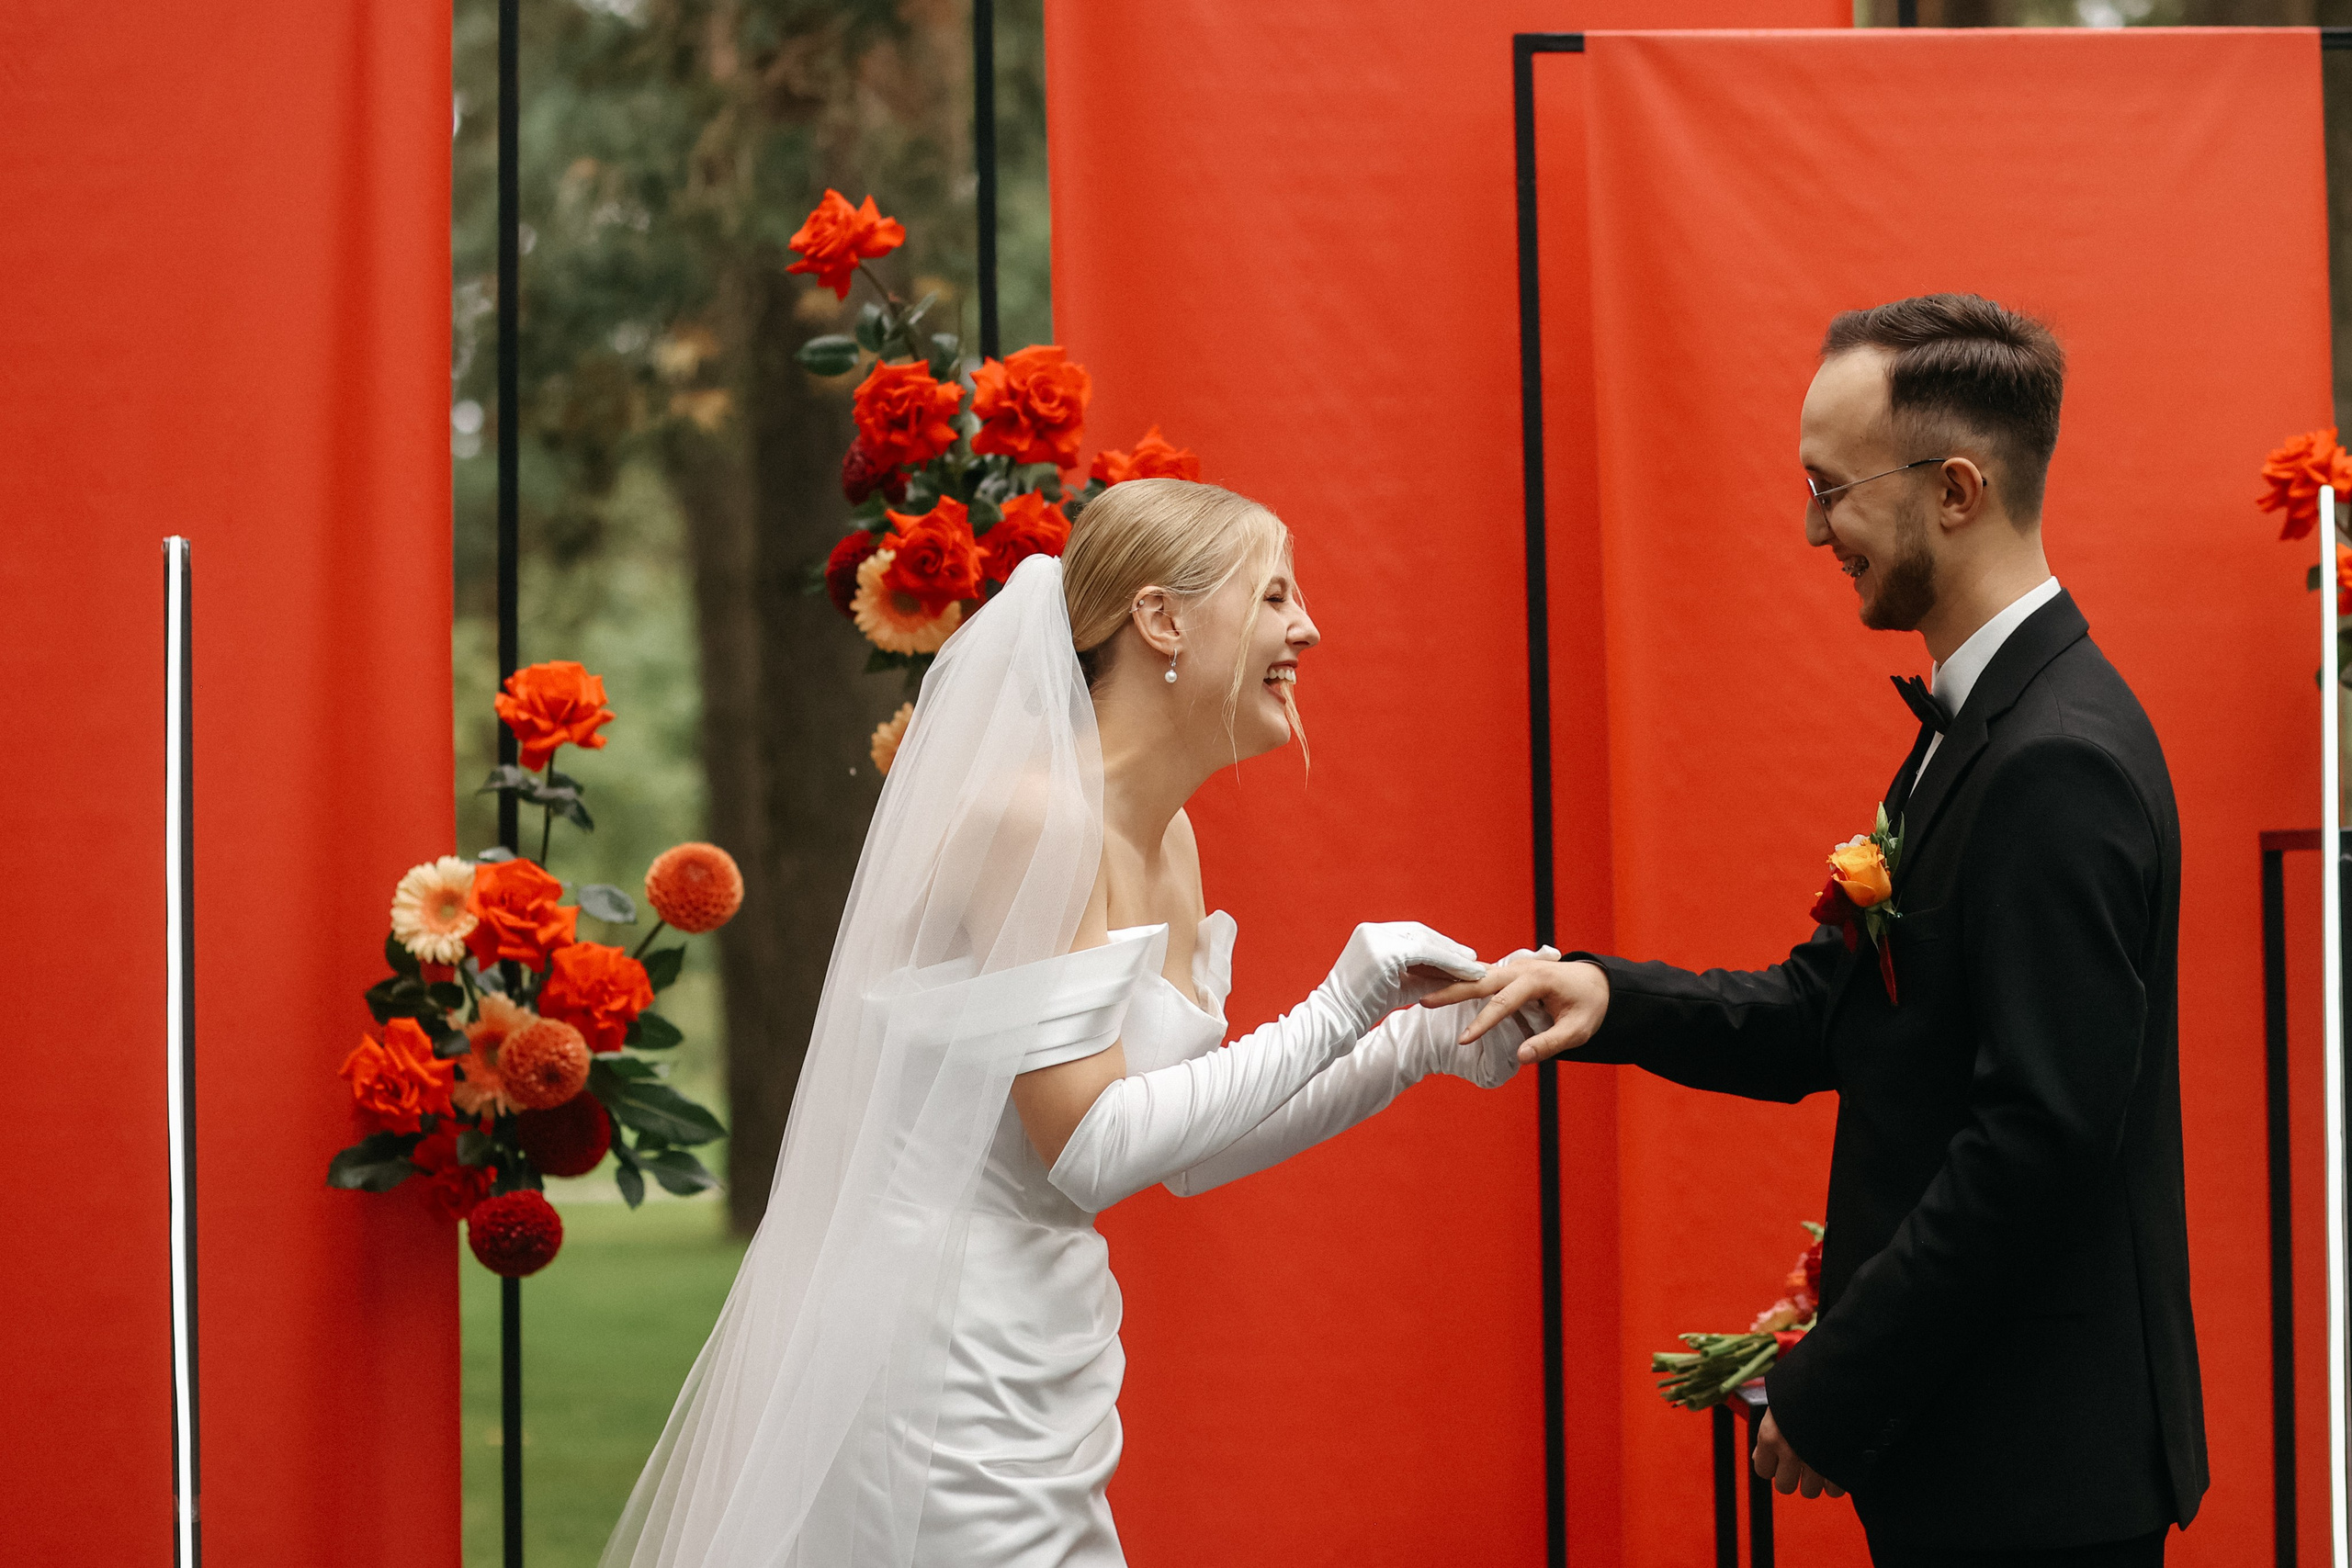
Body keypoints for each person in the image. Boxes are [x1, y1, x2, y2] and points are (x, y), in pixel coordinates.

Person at [602, 478, 1546, 1567]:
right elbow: (1090, 1145)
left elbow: (1190, 1149)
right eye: (1277, 594)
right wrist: (1342, 999)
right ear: (1160, 621)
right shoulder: (1029, 818)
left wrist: (1415, 1043)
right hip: (938, 1350)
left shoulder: (1173, 841)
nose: (1308, 627)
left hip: (1046, 1336)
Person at [1440, 294, 2206, 1567]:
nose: (1811, 527)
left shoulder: (2052, 759)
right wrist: (1602, 993)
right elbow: (1828, 1009)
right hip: (1983, 1456)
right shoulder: (1981, 726)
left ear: (1955, 489)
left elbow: (2038, 1141)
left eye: (1831, 487)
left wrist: (1835, 1380)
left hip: (2034, 1474)